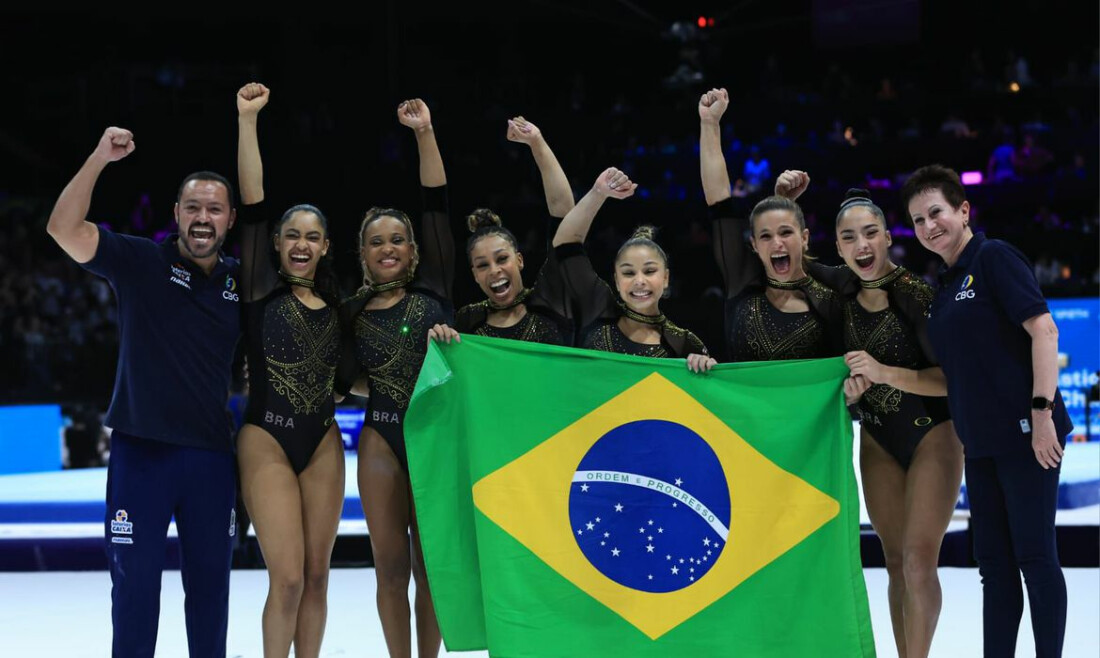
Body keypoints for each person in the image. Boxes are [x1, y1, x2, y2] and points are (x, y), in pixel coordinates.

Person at [47, 127, 240, 657]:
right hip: (140, 455)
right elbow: (62, 227)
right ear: (176, 213)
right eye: (194, 207)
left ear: (230, 219)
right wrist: (98, 158)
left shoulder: (243, 285)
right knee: (134, 592)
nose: (203, 218)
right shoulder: (140, 262)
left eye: (215, 209)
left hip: (210, 459)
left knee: (210, 594)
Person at [778, 173, 965, 658]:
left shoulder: (917, 296)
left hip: (934, 436)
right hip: (878, 438)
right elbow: (787, 255)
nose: (861, 245)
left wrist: (884, 374)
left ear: (887, 237)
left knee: (921, 561)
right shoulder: (839, 287)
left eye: (869, 234)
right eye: (848, 237)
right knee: (895, 560)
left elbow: (950, 380)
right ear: (837, 248)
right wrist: (784, 203)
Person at [902, 164, 1071, 657]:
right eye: (917, 220)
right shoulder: (945, 284)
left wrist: (1041, 416)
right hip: (979, 445)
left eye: (936, 213)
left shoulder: (993, 257)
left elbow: (1044, 331)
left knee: (1036, 560)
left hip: (1026, 436)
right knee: (995, 569)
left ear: (963, 209)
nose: (929, 226)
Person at [339, 97, 454, 658]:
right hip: (382, 437)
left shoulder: (436, 288)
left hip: (435, 437)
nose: (388, 248)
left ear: (413, 250)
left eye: (397, 239)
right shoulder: (352, 310)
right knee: (389, 568)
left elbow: (435, 200)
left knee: (430, 567)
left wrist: (424, 133)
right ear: (362, 253)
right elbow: (344, 380)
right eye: (376, 241)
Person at [235, 82, 346, 658]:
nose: (301, 244)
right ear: (276, 244)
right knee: (289, 578)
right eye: (291, 235)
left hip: (323, 438)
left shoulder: (340, 310)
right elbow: (252, 203)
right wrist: (247, 120)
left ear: (326, 247)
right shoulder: (258, 289)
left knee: (320, 577)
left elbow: (363, 371)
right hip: (266, 437)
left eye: (312, 237)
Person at [697, 87, 843, 364]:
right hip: (743, 408)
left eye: (786, 232)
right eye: (765, 236)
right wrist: (709, 124)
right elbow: (719, 203)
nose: (777, 243)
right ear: (753, 244)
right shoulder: (742, 280)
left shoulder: (829, 297)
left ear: (805, 237)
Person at [552, 167, 713, 371]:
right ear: (617, 281)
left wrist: (708, 370)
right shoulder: (598, 309)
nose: (639, 280)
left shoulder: (683, 342)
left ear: (665, 278)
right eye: (628, 272)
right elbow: (565, 245)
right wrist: (597, 193)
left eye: (649, 271)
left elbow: (710, 397)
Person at [455, 117, 574, 345]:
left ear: (519, 260)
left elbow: (565, 216)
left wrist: (536, 142)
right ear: (474, 275)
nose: (494, 270)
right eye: (482, 265)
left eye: (502, 258)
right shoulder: (467, 321)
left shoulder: (548, 301)